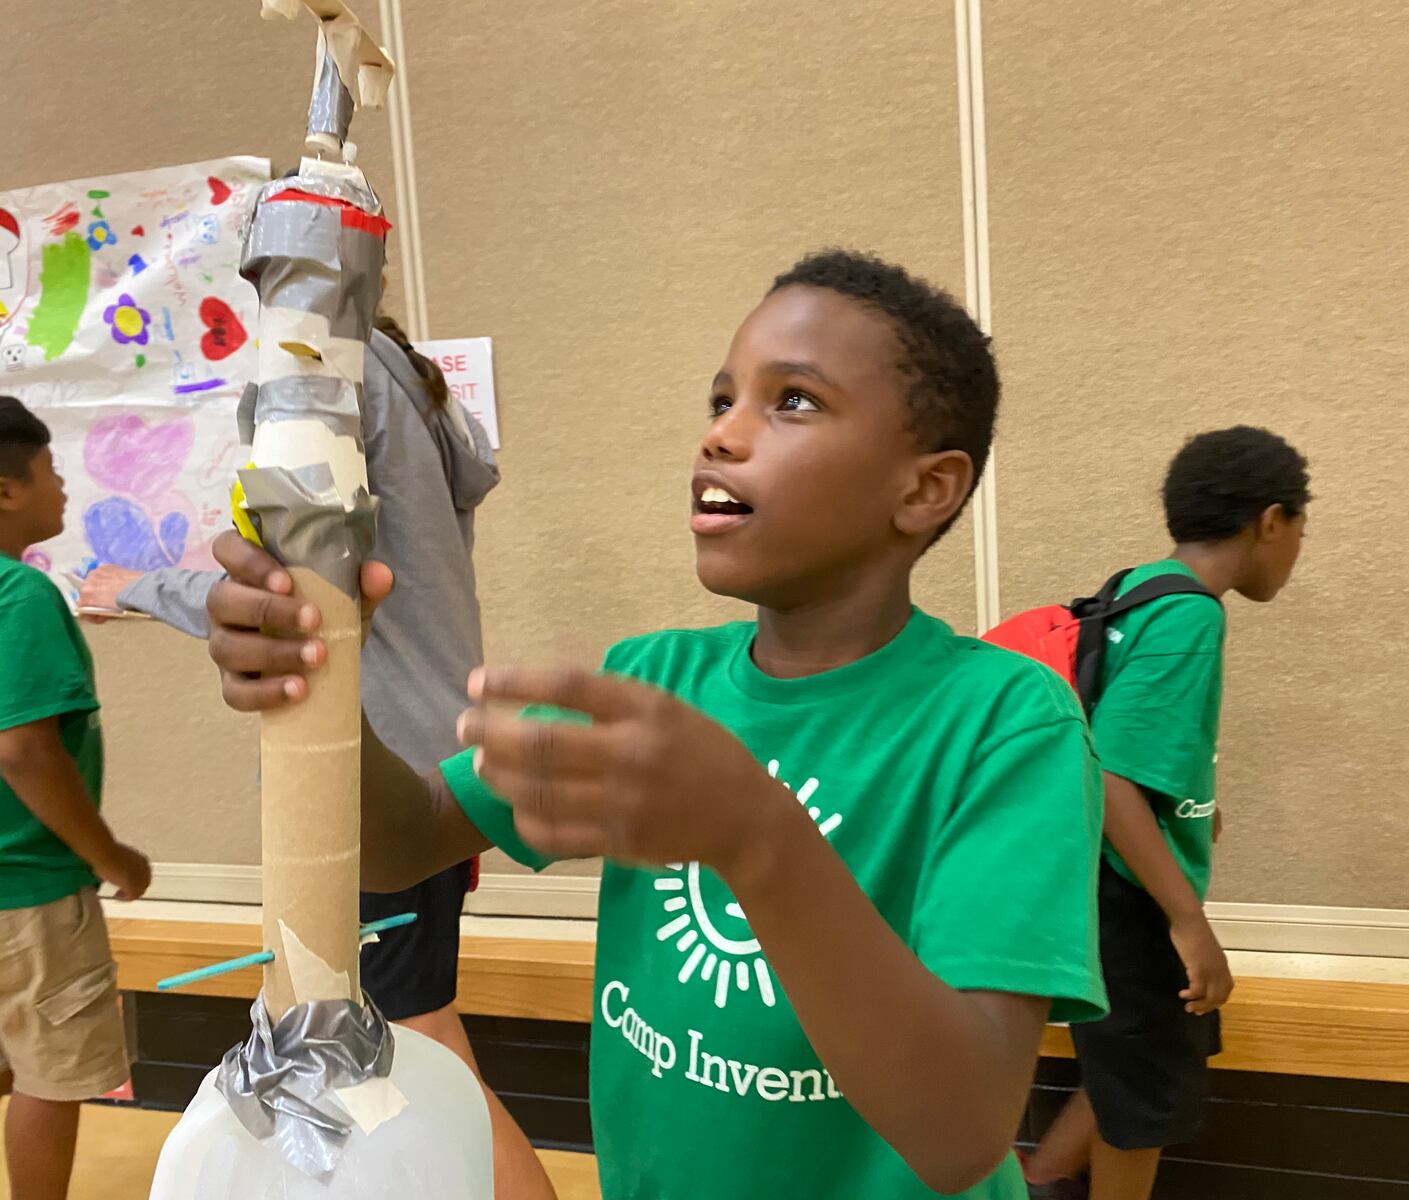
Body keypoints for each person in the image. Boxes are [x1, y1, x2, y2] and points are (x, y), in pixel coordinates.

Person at [202, 250, 1109, 1198]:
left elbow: (961, 1135)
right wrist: (313, 668)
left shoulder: (1007, 724)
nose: (723, 435)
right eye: (722, 400)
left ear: (926, 488)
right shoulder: (654, 677)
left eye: (792, 401)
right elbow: (403, 843)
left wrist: (754, 834)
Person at [76, 320, 558, 1200]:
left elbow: (291, 593)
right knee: (415, 1031)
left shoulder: (330, 366)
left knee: (416, 1033)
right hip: (434, 769)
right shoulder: (420, 409)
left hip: (381, 795)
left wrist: (141, 585)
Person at [1021, 426, 1311, 1200]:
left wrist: (1193, 812)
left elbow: (1127, 745)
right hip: (1131, 902)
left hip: (1093, 885)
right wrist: (1188, 921)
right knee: (1142, 1104)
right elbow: (1112, 777)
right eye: (1300, 532)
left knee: (1136, 1063)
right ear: (1272, 521)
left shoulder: (1137, 588)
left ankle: (1043, 1177)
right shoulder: (1191, 617)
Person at [0, 396, 151, 1200]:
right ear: (6, 490)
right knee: (50, 1072)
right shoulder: (20, 596)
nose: (64, 488)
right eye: (53, 471)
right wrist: (109, 856)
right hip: (30, 888)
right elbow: (23, 749)